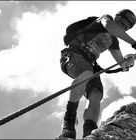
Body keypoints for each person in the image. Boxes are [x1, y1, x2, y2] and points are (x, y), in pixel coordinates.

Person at [57, 9, 136, 140]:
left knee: (96, 94)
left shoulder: (114, 41)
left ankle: (89, 131)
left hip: (89, 63)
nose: (122, 27)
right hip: (72, 54)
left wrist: (130, 58)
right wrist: (134, 43)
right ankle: (68, 123)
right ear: (116, 17)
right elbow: (109, 26)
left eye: (125, 27)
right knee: (87, 73)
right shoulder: (105, 19)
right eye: (121, 23)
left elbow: (122, 63)